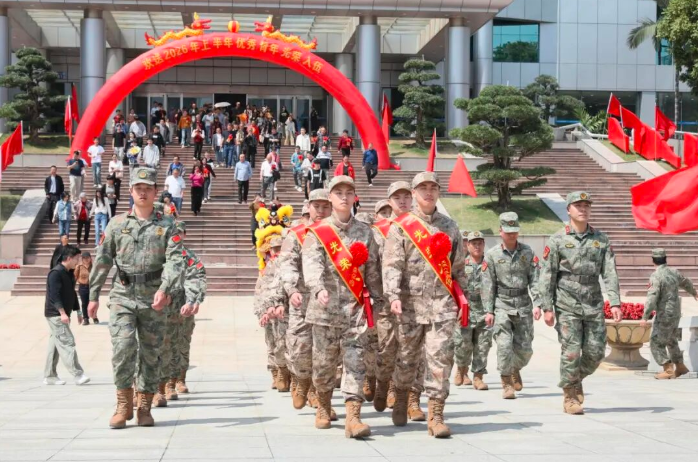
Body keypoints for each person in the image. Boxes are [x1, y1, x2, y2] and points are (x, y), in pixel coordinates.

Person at [87, 166, 189, 429]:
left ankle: (144, 406)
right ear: (131, 192)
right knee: (122, 348)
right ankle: (123, 405)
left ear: (155, 192)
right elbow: (102, 259)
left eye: (148, 188)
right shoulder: (117, 224)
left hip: (154, 297)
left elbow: (175, 262)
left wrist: (165, 289)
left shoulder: (168, 225)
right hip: (122, 294)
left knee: (151, 353)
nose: (143, 193)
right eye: (138, 188)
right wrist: (93, 294)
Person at [382, 172, 468, 438]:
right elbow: (392, 264)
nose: (428, 192)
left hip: (442, 303)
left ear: (438, 192)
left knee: (440, 358)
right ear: (414, 193)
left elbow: (458, 267)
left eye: (433, 188)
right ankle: (402, 394)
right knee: (407, 358)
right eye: (423, 188)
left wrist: (464, 298)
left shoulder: (450, 226)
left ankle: (436, 414)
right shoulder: (401, 226)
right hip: (409, 304)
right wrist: (393, 295)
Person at [301, 176, 382, 438]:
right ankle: (324, 406)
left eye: (349, 192)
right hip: (324, 311)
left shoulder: (365, 232)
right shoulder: (318, 232)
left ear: (354, 197)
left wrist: (378, 301)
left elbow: (373, 270)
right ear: (330, 197)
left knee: (356, 362)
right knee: (323, 365)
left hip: (355, 311)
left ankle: (353, 417)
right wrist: (318, 288)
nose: (344, 197)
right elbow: (311, 263)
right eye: (339, 193)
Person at [538, 191, 622, 415]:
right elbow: (547, 274)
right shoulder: (558, 239)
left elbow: (610, 272)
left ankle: (574, 379)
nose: (583, 209)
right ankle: (570, 396)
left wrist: (615, 302)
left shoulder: (601, 239)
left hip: (593, 302)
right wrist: (547, 307)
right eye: (578, 206)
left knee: (596, 353)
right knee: (571, 351)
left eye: (586, 205)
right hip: (567, 302)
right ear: (568, 210)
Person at [275, 188, 332, 411]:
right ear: (308, 208)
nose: (321, 211)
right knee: (299, 349)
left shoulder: (336, 234)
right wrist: (291, 290)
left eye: (326, 206)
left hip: (328, 303)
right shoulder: (296, 234)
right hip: (302, 301)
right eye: (317, 206)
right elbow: (286, 264)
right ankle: (302, 380)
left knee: (326, 353)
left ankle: (318, 394)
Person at [481, 213, 541, 400]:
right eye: (508, 232)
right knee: (504, 346)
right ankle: (506, 382)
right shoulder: (492, 255)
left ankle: (514, 368)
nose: (512, 235)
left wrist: (538, 303)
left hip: (523, 304)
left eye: (514, 231)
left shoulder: (528, 252)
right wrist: (488, 311)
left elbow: (535, 279)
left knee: (525, 349)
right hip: (502, 305)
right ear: (500, 231)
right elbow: (488, 284)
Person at [371, 181, 418, 415]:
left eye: (406, 197)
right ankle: (383, 384)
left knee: (414, 353)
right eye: (397, 197)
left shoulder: (422, 228)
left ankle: (411, 399)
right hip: (386, 302)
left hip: (417, 301)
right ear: (389, 201)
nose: (402, 201)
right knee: (387, 350)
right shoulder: (378, 231)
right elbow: (371, 266)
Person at [157, 222, 207, 404]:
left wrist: (193, 300)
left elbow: (197, 277)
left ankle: (175, 381)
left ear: (184, 235)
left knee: (180, 344)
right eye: (173, 233)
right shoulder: (158, 255)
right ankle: (159, 385)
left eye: (179, 233)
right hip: (160, 307)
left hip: (181, 308)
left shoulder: (188, 256)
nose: (176, 236)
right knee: (161, 346)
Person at [640, 248, 697, 379]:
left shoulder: (656, 276)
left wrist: (645, 316)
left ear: (653, 260)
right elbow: (686, 282)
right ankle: (680, 366)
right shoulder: (674, 272)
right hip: (676, 312)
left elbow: (652, 297)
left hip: (664, 314)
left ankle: (668, 369)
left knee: (655, 341)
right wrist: (694, 293)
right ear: (665, 259)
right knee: (672, 340)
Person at [44, 244, 90, 386]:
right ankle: (78, 374)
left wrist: (78, 311)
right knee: (66, 342)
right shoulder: (55, 273)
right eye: (77, 258)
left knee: (55, 345)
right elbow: (54, 296)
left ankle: (50, 376)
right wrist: (62, 313)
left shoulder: (69, 273)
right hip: (56, 315)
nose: (78, 261)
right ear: (69, 258)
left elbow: (72, 293)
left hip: (64, 313)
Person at [452, 231, 491, 391]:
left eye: (480, 243)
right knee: (463, 344)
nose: (477, 246)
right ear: (467, 245)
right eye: (474, 243)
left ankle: (478, 377)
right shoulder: (461, 265)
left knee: (483, 345)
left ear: (484, 245)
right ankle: (461, 369)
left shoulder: (490, 264)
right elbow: (453, 285)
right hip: (465, 309)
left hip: (484, 309)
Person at [75, 251, 97, 325]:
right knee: (84, 303)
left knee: (93, 302)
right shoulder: (79, 266)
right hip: (83, 287)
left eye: (87, 257)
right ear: (82, 259)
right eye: (84, 258)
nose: (86, 259)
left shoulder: (94, 266)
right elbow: (75, 276)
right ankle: (86, 318)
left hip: (92, 287)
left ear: (90, 258)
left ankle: (94, 316)